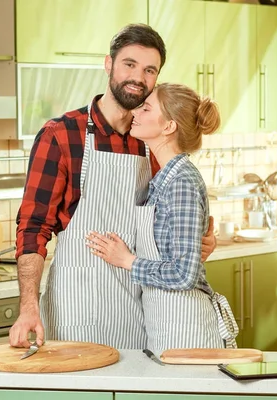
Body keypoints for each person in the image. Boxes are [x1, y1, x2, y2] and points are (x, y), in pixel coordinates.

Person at [9, 24, 217, 349]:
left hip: (143, 310)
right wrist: (28, 306)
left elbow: (180, 220)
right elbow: (33, 227)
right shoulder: (62, 136)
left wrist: (201, 241)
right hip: (77, 306)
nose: (138, 77)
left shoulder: (152, 140)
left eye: (149, 70)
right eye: (129, 64)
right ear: (109, 65)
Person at [86, 83, 239, 353]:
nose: (137, 112)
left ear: (168, 127)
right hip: (167, 323)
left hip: (187, 327)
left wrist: (127, 260)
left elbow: (184, 274)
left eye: (146, 108)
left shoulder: (182, 182)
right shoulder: (164, 179)